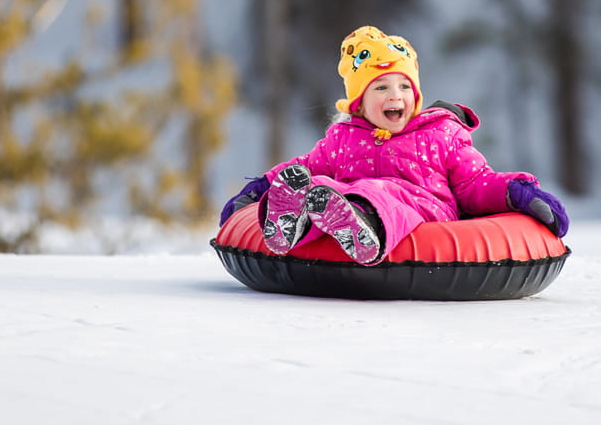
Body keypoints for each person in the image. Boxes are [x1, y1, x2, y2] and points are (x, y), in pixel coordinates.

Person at [218, 25, 568, 265]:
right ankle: (291, 225)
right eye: (381, 88)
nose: (394, 96)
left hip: (421, 209)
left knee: (377, 190)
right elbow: (307, 167)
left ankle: (362, 225)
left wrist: (518, 192)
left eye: (403, 87)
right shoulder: (343, 138)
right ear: (359, 102)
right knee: (320, 186)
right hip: (348, 199)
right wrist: (261, 188)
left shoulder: (440, 134)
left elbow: (475, 182)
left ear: (415, 95)